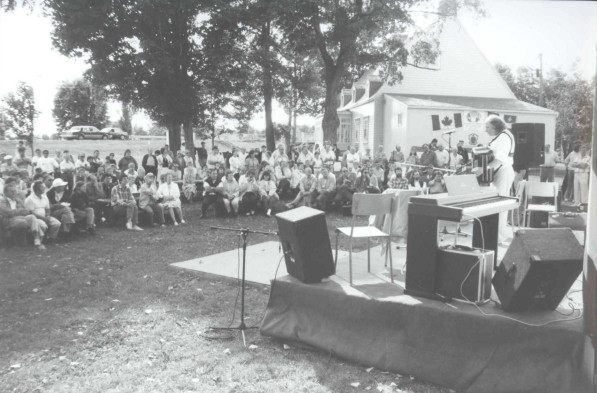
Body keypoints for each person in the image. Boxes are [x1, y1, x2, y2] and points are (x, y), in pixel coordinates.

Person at [484, 115, 515, 243]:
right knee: (497, 204)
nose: (486, 130)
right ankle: (497, 235)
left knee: (500, 205)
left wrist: (484, 169)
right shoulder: (501, 136)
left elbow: (500, 159)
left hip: (503, 173)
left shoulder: (503, 138)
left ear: (496, 127)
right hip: (499, 173)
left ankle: (499, 237)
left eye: (488, 127)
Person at [0, 182, 47, 250]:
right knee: (22, 222)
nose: (14, 193)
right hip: (8, 220)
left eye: (15, 191)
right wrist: (20, 211)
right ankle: (38, 243)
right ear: (5, 192)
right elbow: (8, 213)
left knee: (32, 217)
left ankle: (37, 242)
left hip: (21, 218)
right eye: (12, 191)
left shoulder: (18, 200)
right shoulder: (2, 201)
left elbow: (26, 211)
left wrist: (19, 211)